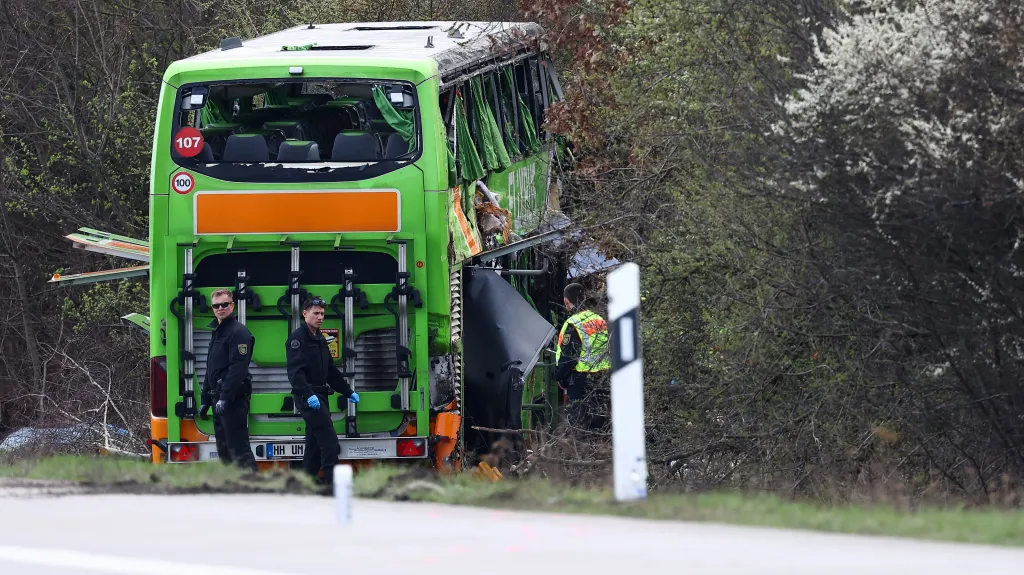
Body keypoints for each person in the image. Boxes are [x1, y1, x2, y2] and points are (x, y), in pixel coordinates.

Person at [286, 296, 360, 485]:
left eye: (322, 314)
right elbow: (295, 374)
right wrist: (309, 394)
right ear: (305, 314)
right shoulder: (297, 339)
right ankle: (330, 485)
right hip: (308, 397)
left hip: (320, 396)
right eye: (316, 313)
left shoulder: (320, 338)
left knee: (313, 447)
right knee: (330, 444)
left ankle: (306, 484)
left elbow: (330, 371)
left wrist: (347, 391)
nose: (320, 317)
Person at [200, 288, 257, 471]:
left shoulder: (238, 332)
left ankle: (255, 491)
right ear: (212, 308)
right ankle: (231, 491)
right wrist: (205, 400)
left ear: (232, 306)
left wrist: (224, 397)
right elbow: (211, 367)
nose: (220, 308)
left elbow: (238, 368)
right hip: (219, 400)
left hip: (233, 400)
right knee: (224, 450)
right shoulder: (217, 331)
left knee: (239, 450)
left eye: (225, 304)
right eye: (217, 305)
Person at [554, 283, 611, 430]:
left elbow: (569, 356)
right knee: (601, 424)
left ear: (566, 301)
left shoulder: (573, 324)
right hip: (602, 378)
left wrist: (558, 375)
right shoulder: (599, 320)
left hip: (580, 381)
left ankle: (581, 452)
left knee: (579, 425)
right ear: (584, 298)